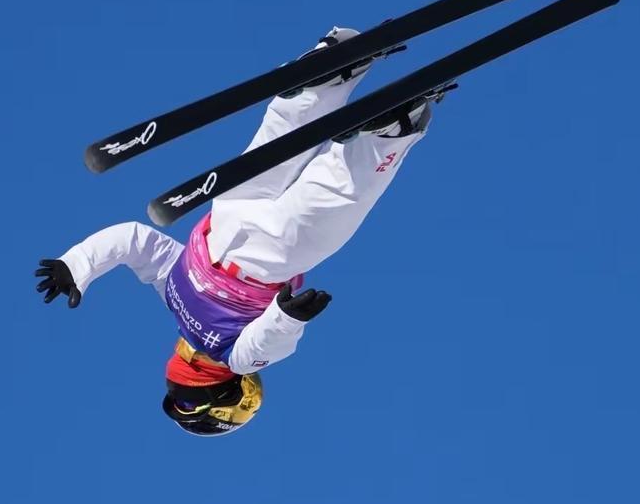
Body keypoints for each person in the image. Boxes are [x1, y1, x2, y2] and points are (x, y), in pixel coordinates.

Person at [35, 29, 445, 436]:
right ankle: (322, 81)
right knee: (277, 146)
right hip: (226, 215)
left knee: (335, 196)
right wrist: (77, 265)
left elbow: (264, 344)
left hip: (270, 258)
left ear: (225, 395)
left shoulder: (233, 357)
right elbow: (133, 241)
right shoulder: (172, 295)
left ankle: (388, 131)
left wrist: (288, 316)